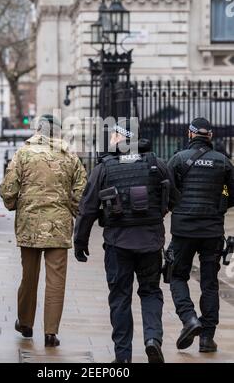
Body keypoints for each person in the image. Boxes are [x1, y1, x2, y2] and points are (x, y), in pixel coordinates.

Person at [74, 119, 178, 363]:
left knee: (120, 297)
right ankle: (152, 339)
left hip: (118, 243)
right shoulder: (157, 164)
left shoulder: (104, 168)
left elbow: (87, 208)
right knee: (151, 291)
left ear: (120, 138)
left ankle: (122, 357)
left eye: (113, 136)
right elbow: (174, 198)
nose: (110, 139)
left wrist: (80, 242)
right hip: (151, 241)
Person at [0, 114, 87, 346]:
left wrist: (13, 205)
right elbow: (81, 193)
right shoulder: (70, 156)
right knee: (56, 280)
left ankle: (25, 323)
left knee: (29, 276)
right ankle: (50, 333)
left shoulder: (24, 153)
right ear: (57, 132)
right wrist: (73, 211)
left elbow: (9, 188)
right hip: (58, 225)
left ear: (38, 130)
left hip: (29, 225)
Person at [167, 117, 234, 353]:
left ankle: (189, 319)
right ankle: (207, 338)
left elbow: (168, 194)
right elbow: (232, 195)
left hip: (183, 230)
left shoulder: (177, 159)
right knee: (209, 284)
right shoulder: (224, 162)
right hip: (212, 231)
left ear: (190, 134)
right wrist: (217, 207)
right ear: (211, 136)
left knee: (176, 276)